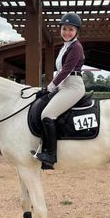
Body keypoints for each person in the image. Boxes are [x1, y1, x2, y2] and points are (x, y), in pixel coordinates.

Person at [34, 12, 86, 168]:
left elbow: (66, 71)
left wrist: (49, 87)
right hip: (64, 85)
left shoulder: (76, 47)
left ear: (77, 31)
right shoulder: (66, 46)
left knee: (47, 114)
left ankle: (50, 155)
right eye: (64, 29)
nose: (67, 32)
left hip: (73, 86)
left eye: (71, 29)